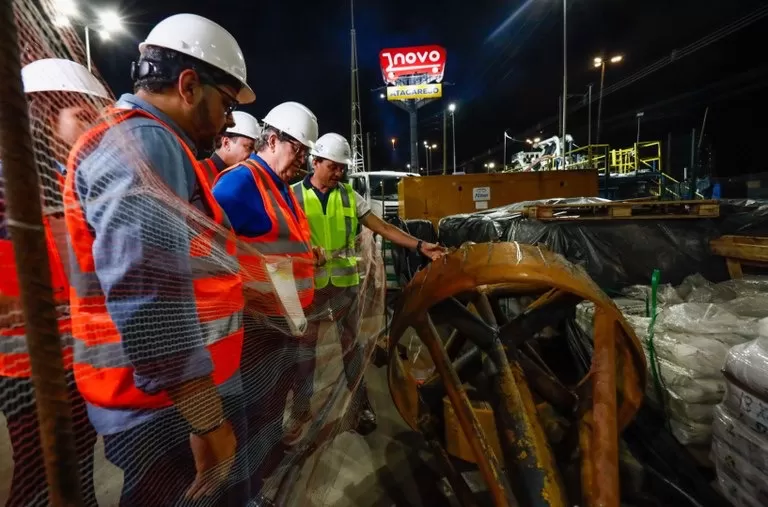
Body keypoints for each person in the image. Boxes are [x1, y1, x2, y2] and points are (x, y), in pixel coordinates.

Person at [62, 13, 255, 506]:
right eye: (228, 104)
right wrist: (207, 419)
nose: (231, 120)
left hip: (164, 397)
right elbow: (148, 292)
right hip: (162, 406)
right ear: (189, 86)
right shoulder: (148, 140)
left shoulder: (151, 142)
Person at [0, 57, 111, 507]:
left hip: (74, 354)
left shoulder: (64, 179)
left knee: (76, 462)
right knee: (40, 472)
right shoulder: (12, 185)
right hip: (29, 365)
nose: (92, 133)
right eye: (81, 117)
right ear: (44, 115)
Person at [291, 133, 445, 434]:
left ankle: (361, 409)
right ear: (316, 161)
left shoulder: (349, 195)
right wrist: (302, 252)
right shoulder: (293, 196)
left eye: (342, 169)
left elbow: (384, 227)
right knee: (304, 355)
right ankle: (300, 412)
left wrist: (419, 246)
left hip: (345, 288)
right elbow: (278, 237)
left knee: (352, 352)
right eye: (333, 167)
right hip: (309, 289)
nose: (338, 173)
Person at [212, 101, 319, 498]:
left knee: (272, 409)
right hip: (257, 330)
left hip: (283, 323)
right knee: (256, 415)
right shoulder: (238, 184)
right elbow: (209, 256)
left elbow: (280, 247)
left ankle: (262, 479)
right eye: (299, 150)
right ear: (271, 141)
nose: (304, 161)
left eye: (307, 152)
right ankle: (248, 492)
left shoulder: (278, 186)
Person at [200, 110, 261, 185]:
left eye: (255, 150)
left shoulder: (240, 178)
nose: (253, 155)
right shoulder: (198, 173)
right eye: (249, 147)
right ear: (226, 143)